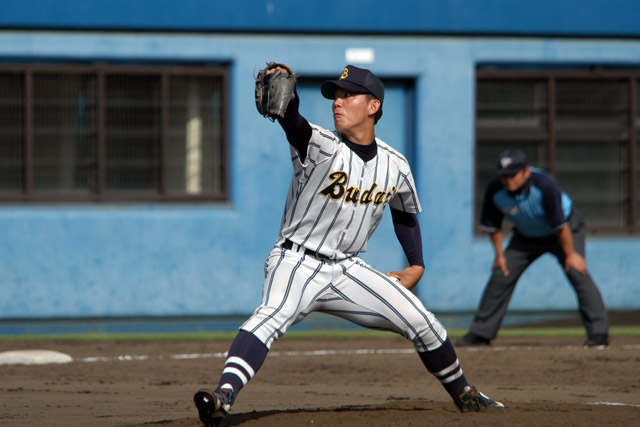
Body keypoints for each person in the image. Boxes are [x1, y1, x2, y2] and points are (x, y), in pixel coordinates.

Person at [193, 64, 504, 427]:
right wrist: (289, 104)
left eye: (346, 96)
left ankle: (465, 394)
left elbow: (404, 214)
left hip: (346, 268)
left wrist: (417, 264)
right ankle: (223, 397)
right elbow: (294, 122)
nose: (336, 103)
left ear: (373, 107)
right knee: (270, 316)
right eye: (334, 96)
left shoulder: (395, 165)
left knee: (424, 321)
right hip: (296, 262)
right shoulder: (321, 145)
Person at [457, 149, 609, 349]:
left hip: (564, 232)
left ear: (526, 171)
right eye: (504, 175)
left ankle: (598, 333)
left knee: (576, 271)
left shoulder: (544, 185)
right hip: (526, 236)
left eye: (513, 174)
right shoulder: (495, 190)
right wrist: (500, 256)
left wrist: (571, 255)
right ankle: (480, 333)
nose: (508, 179)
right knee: (501, 274)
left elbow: (560, 226)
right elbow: (493, 227)